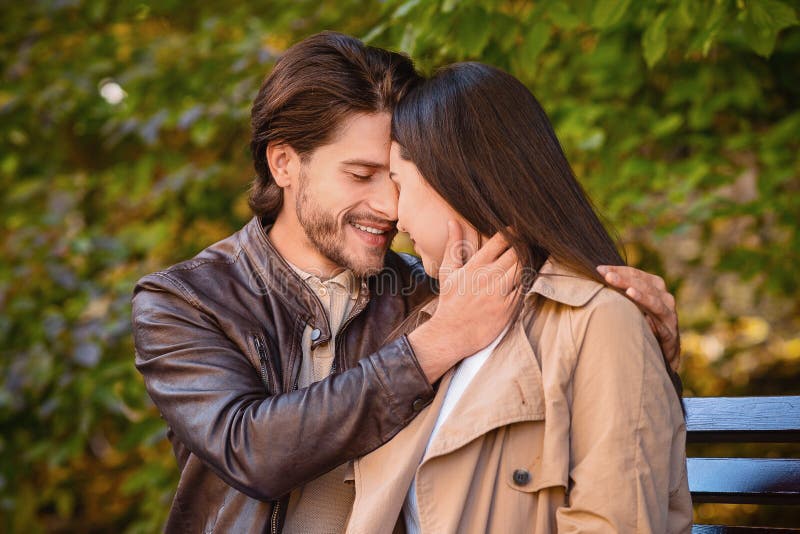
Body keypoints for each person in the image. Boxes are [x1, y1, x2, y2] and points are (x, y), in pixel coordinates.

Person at [131, 32, 683, 533]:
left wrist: (639, 337)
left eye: (396, 176)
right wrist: (434, 345)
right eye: (361, 174)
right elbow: (249, 448)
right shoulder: (185, 300)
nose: (390, 206)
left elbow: (600, 428)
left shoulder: (435, 292)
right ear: (284, 163)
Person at [345, 62, 692, 533]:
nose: (397, 218)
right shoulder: (430, 326)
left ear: (453, 179)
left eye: (400, 185)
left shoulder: (598, 323)